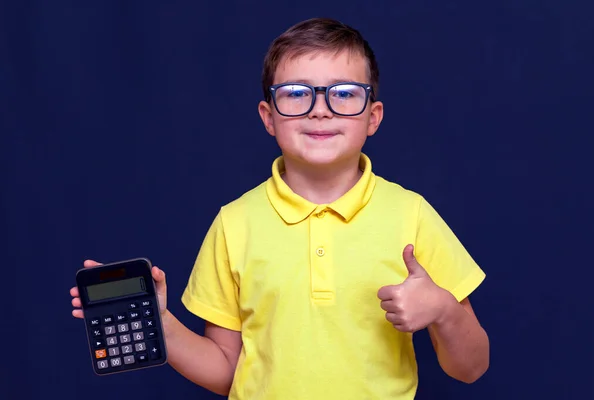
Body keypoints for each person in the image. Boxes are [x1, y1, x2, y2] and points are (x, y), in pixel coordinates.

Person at [70, 17, 489, 399]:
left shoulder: (411, 214)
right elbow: (227, 370)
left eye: (344, 93)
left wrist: (443, 309)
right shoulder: (234, 223)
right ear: (269, 118)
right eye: (296, 93)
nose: (320, 108)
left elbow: (471, 368)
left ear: (373, 117)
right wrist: (161, 325)